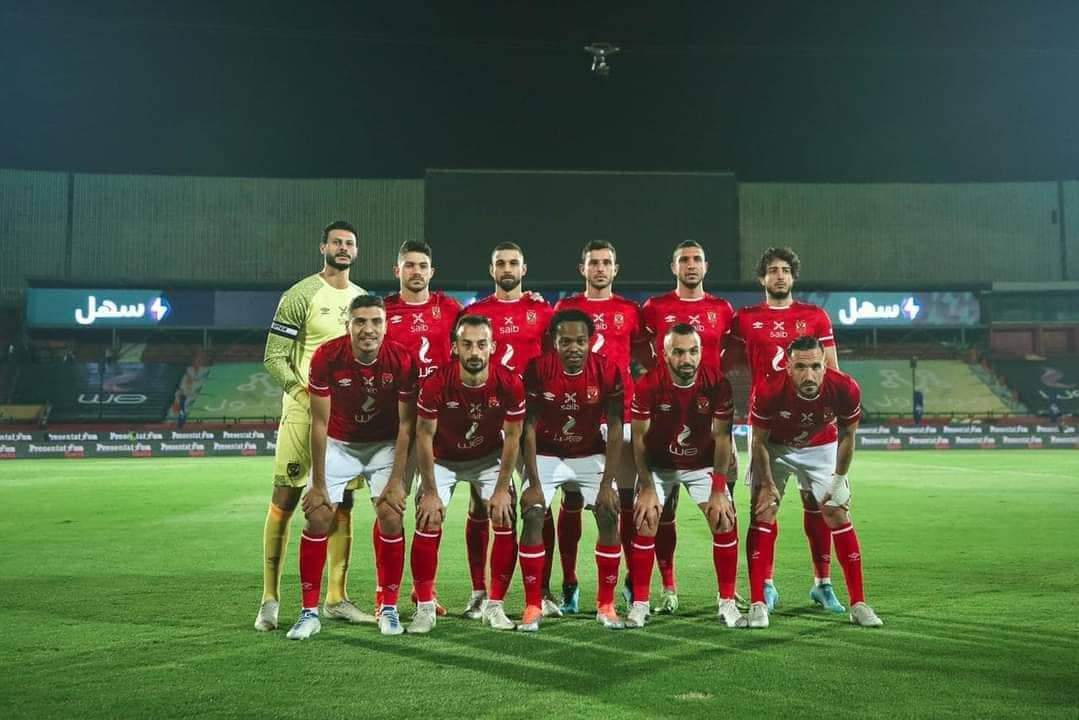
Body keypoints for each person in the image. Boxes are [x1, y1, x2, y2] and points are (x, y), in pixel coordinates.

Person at [255, 220, 370, 632]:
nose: (343, 248)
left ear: (356, 251)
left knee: (343, 503)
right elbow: (274, 356)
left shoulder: (361, 299)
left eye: (349, 243)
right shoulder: (301, 294)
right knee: (285, 497)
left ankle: (336, 598)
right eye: (336, 242)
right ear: (323, 247)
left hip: (347, 418)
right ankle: (270, 599)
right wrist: (302, 394)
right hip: (304, 413)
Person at [285, 296, 417, 639]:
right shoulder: (327, 356)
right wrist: (318, 484)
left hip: (384, 445)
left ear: (386, 326)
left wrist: (397, 481)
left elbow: (407, 425)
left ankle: (389, 608)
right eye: (360, 321)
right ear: (349, 325)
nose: (368, 329)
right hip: (339, 444)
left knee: (391, 514)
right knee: (318, 515)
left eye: (375, 321)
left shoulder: (402, 359)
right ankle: (309, 612)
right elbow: (318, 422)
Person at [728, 247, 841, 613]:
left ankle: (823, 584)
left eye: (785, 270)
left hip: (813, 431)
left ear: (793, 276)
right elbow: (727, 364)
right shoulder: (745, 319)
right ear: (762, 278)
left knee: (820, 505)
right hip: (767, 431)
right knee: (764, 506)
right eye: (773, 270)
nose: (779, 276)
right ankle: (764, 584)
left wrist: (831, 413)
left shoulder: (815, 316)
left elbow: (832, 370)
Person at [746, 335, 883, 629]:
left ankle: (858, 603)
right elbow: (758, 441)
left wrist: (839, 479)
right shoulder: (769, 389)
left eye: (815, 367)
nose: (808, 375)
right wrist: (767, 483)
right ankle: (758, 603)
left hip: (821, 446)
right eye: (800, 367)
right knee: (763, 511)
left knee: (837, 512)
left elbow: (848, 435)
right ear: (788, 367)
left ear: (825, 365)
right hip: (776, 447)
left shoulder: (845, 388)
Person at [407, 315, 527, 633]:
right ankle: (424, 607)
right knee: (428, 517)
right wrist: (429, 492)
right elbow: (423, 436)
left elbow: (513, 437)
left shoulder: (509, 383)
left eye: (481, 344)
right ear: (454, 348)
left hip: (487, 458)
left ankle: (495, 606)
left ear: (493, 347)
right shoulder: (436, 383)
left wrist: (502, 488)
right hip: (443, 459)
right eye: (467, 344)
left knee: (504, 514)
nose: (474, 352)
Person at [625, 323, 745, 629]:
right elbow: (638, 439)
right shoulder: (649, 384)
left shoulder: (717, 383)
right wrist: (647, 486)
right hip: (659, 465)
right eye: (678, 352)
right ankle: (640, 604)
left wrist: (719, 489)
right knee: (646, 518)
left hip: (700, 464)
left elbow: (722, 438)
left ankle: (727, 603)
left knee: (724, 518)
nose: (686, 359)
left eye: (693, 351)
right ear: (665, 355)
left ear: (701, 352)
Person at [638, 240, 736, 613]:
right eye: (684, 260)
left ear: (706, 266)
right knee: (661, 513)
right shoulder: (654, 308)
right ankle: (668, 587)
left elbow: (734, 352)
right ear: (673, 266)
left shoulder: (722, 309)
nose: (691, 265)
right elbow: (637, 347)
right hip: (665, 415)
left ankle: (728, 594)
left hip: (709, 418)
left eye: (696, 260)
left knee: (724, 508)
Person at [459, 242, 554, 618]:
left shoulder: (542, 311)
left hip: (532, 421)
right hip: (487, 418)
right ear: (492, 269)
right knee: (479, 503)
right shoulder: (476, 313)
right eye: (501, 263)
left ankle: (542, 590)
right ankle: (479, 591)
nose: (507, 268)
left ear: (524, 269)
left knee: (538, 502)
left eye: (514, 262)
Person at [550, 240, 644, 614]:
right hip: (579, 416)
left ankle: (632, 582)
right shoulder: (565, 309)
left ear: (615, 269)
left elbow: (645, 357)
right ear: (583, 268)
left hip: (623, 416)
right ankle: (570, 581)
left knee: (625, 501)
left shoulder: (630, 311)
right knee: (572, 499)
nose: (600, 268)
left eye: (606, 262)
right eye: (594, 263)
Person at [520, 309, 628, 630]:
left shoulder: (607, 370)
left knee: (608, 512)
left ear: (590, 341)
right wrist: (533, 483)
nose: (574, 348)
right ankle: (533, 604)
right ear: (554, 342)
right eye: (565, 341)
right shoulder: (538, 369)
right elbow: (528, 427)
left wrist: (608, 484)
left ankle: (606, 604)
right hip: (546, 453)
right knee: (533, 512)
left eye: (580, 341)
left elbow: (616, 426)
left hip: (588, 452)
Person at [380, 239, 462, 616]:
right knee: (391, 508)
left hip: (438, 424)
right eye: (409, 265)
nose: (416, 271)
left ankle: (423, 590)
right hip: (395, 424)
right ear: (397, 270)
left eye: (422, 266)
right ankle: (384, 595)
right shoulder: (383, 312)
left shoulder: (451, 309)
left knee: (431, 509)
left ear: (432, 272)